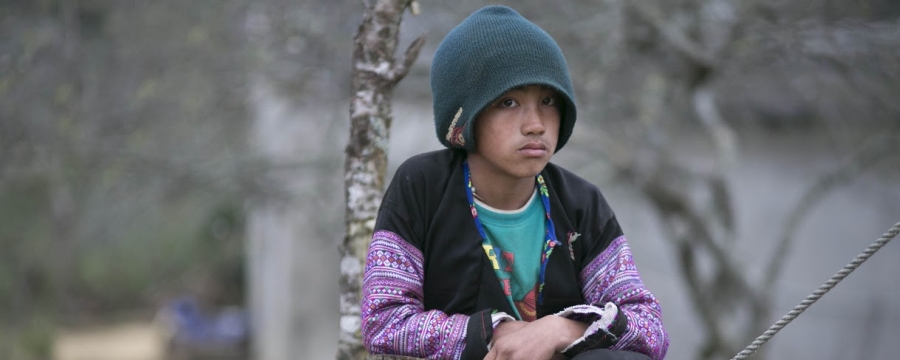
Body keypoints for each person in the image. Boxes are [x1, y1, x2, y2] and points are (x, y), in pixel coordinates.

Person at [361, 5, 668, 360]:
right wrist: (496, 332)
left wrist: (561, 328)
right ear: (465, 119)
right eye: (508, 102)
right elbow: (383, 322)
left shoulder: (581, 203)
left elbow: (650, 328)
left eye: (548, 101)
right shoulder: (422, 187)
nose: (535, 124)